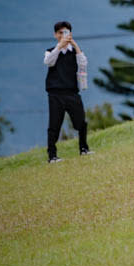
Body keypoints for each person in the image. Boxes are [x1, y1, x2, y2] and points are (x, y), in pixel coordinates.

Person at [44, 21, 91, 163]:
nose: (62, 35)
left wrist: (74, 45)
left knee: (81, 122)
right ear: (55, 34)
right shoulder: (51, 51)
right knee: (54, 126)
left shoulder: (74, 51)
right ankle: (52, 156)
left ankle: (84, 149)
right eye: (59, 33)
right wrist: (59, 46)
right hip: (55, 94)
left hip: (72, 92)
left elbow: (83, 63)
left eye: (65, 32)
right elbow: (48, 62)